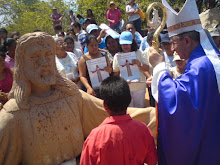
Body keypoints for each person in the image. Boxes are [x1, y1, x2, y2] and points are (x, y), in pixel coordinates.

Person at [0, 32, 156, 165]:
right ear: (22, 64)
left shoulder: (72, 97)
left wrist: (152, 115)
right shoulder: (14, 115)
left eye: (48, 55)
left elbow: (108, 113)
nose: (44, 63)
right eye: (34, 57)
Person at [149, 0, 220, 164]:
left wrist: (159, 66)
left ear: (187, 41)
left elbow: (176, 102)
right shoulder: (206, 60)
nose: (172, 49)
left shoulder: (201, 66)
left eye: (174, 43)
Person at [80, 76, 158, 165]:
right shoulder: (143, 130)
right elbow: (152, 161)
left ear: (105, 105)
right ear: (129, 100)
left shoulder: (95, 137)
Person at [113, 31, 149, 108]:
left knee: (140, 109)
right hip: (125, 88)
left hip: (139, 87)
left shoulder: (139, 53)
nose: (125, 46)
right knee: (129, 110)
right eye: (123, 44)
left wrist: (140, 65)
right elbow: (115, 73)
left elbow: (147, 68)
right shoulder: (117, 56)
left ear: (132, 43)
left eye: (127, 44)